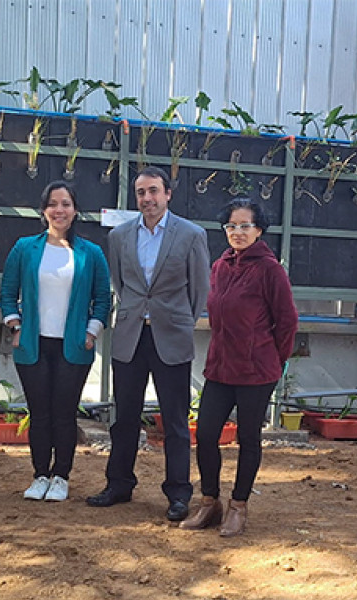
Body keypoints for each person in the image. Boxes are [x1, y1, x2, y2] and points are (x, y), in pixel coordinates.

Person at [86, 166, 210, 522]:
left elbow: (200, 290)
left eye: (154, 191)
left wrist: (175, 318)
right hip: (129, 337)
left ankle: (178, 493)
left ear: (167, 194)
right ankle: (119, 484)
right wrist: (137, 313)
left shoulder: (191, 235)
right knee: (124, 417)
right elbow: (123, 285)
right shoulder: (120, 236)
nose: (147, 199)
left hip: (171, 335)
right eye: (141, 193)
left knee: (173, 420)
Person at [180, 198, 298, 536]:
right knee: (204, 435)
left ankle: (239, 507)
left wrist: (275, 359)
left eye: (245, 226)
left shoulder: (270, 269)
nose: (237, 232)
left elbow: (287, 321)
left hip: (257, 371)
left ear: (259, 230)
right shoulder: (220, 266)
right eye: (231, 226)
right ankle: (209, 503)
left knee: (248, 438)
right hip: (220, 368)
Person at [0, 181, 111, 502]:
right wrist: (14, 326)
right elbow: (8, 293)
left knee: (64, 413)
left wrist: (91, 333)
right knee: (39, 412)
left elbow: (102, 299)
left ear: (75, 210)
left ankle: (61, 475)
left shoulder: (91, 253)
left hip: (73, 347)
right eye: (52, 204)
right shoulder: (24, 248)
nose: (59, 210)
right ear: (43, 209)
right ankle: (39, 475)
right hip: (33, 345)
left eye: (65, 204)